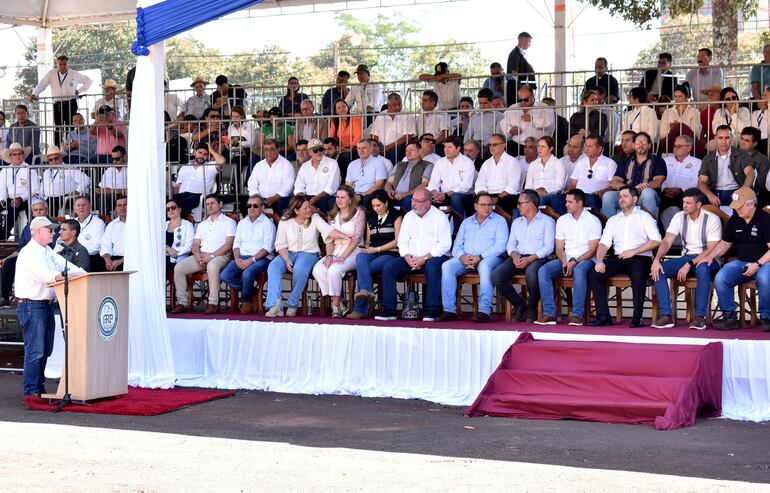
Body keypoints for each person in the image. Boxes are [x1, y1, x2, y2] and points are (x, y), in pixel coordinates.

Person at [16, 216, 85, 398]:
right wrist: (62, 276)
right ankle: (31, 391)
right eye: (50, 230)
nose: (54, 233)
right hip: (32, 305)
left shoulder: (46, 250)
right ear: (38, 231)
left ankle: (38, 388)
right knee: (36, 350)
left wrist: (84, 275)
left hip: (44, 305)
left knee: (45, 350)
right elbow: (45, 275)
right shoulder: (29, 252)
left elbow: (66, 266)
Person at [264, 195, 349, 317]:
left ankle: (292, 304)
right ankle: (275, 305)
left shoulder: (315, 218)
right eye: (305, 208)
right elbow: (280, 243)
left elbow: (328, 230)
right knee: (273, 266)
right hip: (288, 253)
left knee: (300, 269)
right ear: (296, 210)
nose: (309, 210)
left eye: (309, 207)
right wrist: (286, 259)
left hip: (309, 254)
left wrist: (344, 236)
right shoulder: (285, 220)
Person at [374, 187, 451, 322]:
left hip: (433, 257)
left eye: (418, 201)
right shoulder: (409, 216)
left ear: (428, 203)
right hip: (411, 257)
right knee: (389, 267)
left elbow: (444, 244)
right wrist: (407, 257)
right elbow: (402, 241)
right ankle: (389, 309)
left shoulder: (439, 217)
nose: (413, 204)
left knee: (432, 268)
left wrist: (425, 258)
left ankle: (432, 309)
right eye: (413, 200)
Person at [589, 186, 662, 327]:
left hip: (640, 257)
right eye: (620, 196)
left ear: (635, 199)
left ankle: (637, 318)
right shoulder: (613, 220)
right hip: (619, 257)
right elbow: (604, 243)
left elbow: (656, 240)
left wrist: (633, 251)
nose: (621, 199)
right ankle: (603, 316)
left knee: (638, 274)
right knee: (595, 273)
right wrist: (599, 260)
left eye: (625, 196)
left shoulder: (645, 217)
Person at [650, 188, 722, 330]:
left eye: (688, 203)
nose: (684, 206)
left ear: (699, 204)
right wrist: (657, 259)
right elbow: (666, 241)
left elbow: (711, 249)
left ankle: (699, 317)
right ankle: (666, 315)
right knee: (659, 269)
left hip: (708, 259)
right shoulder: (679, 216)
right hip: (687, 257)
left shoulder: (712, 219)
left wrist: (690, 263)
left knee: (702, 269)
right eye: (683, 202)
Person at [704, 187, 770, 331]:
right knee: (721, 277)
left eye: (740, 207)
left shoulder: (765, 219)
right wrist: (711, 256)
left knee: (765, 279)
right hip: (742, 262)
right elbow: (725, 243)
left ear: (751, 204)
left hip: (764, 262)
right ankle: (730, 317)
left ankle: (767, 317)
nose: (737, 210)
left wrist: (757, 265)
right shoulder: (735, 219)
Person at [536, 188, 602, 326]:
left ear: (580, 203)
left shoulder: (593, 220)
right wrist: (565, 261)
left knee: (579, 270)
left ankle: (577, 315)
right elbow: (559, 248)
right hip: (565, 259)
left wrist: (574, 261)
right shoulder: (562, 220)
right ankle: (549, 314)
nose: (566, 204)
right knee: (543, 270)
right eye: (566, 201)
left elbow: (593, 249)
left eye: (570, 202)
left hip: (586, 259)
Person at [438, 192, 508, 323]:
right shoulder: (466, 222)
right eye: (483, 205)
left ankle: (484, 311)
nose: (487, 208)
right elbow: (457, 246)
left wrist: (480, 257)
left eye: (490, 205)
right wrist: (462, 257)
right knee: (447, 266)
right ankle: (449, 310)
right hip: (467, 258)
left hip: (491, 258)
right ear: (475, 206)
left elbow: (501, 246)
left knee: (485, 266)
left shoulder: (500, 221)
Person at [491, 189, 555, 322]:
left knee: (532, 274)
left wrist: (530, 258)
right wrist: (514, 256)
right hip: (517, 257)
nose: (518, 206)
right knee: (496, 276)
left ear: (530, 204)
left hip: (537, 257)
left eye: (520, 203)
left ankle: (532, 307)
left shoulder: (547, 221)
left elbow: (549, 247)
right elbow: (510, 245)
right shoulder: (517, 222)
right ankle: (520, 305)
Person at [172, 194, 237, 314]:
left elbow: (228, 244)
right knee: (179, 268)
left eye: (212, 203)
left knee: (212, 266)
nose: (209, 206)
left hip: (220, 255)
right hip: (202, 255)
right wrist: (197, 254)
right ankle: (182, 302)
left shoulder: (229, 222)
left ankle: (213, 303)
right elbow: (195, 244)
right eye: (207, 204)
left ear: (220, 204)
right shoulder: (202, 224)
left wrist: (211, 256)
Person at [347, 190, 402, 320]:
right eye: (373, 206)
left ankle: (360, 309)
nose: (376, 208)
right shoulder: (370, 218)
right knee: (360, 257)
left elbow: (397, 241)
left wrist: (377, 249)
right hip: (373, 252)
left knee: (363, 269)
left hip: (390, 253)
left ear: (386, 203)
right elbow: (368, 240)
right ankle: (366, 291)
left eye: (379, 205)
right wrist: (366, 248)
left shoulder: (396, 216)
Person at [312, 186, 365, 317]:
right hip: (335, 251)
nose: (339, 200)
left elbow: (357, 238)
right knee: (318, 270)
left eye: (343, 197)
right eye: (337, 197)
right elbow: (329, 239)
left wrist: (343, 256)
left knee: (334, 270)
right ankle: (339, 302)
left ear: (350, 199)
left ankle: (335, 306)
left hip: (354, 252)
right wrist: (329, 256)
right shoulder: (332, 215)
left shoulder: (359, 213)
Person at [220, 195, 275, 313]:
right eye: (249, 205)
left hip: (262, 258)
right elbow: (236, 244)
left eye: (255, 205)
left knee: (247, 273)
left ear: (262, 207)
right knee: (224, 275)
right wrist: (236, 258)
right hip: (242, 257)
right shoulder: (242, 223)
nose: (251, 208)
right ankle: (252, 292)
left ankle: (246, 300)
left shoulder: (268, 224)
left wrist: (251, 260)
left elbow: (267, 248)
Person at [0, 202, 55, 308]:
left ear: (46, 212)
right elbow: (20, 248)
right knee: (7, 264)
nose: (38, 212)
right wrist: (6, 258)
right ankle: (5, 298)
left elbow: (54, 248)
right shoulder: (28, 227)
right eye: (36, 210)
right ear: (32, 213)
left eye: (41, 209)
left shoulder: (52, 226)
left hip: (44, 259)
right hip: (27, 258)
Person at [30, 55, 92, 146]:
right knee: (58, 126)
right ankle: (57, 148)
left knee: (70, 126)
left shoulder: (74, 73)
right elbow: (42, 84)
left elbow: (89, 81)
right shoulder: (51, 73)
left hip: (71, 102)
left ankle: (70, 147)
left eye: (65, 64)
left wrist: (79, 91)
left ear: (68, 64)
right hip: (57, 103)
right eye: (60, 64)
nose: (63, 66)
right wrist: (35, 94)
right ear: (57, 64)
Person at [602, 132, 666, 218]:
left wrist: (642, 187)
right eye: (638, 142)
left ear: (649, 145)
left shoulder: (658, 161)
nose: (640, 145)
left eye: (644, 142)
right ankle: (610, 227)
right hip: (628, 194)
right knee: (608, 196)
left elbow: (657, 182)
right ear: (633, 146)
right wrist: (631, 189)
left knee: (648, 193)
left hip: (645, 195)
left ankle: (649, 227)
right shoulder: (625, 162)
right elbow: (615, 181)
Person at [697, 125, 753, 207]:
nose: (724, 141)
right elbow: (701, 181)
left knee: (744, 205)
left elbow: (750, 173)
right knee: (696, 201)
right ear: (715, 138)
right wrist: (709, 195)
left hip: (735, 191)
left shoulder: (742, 154)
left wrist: (743, 192)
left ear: (731, 138)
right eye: (720, 138)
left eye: (727, 138)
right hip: (714, 192)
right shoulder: (708, 158)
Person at [426, 135, 476, 217]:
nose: (446, 150)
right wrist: (435, 193)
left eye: (450, 147)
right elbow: (433, 183)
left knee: (456, 197)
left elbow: (465, 186)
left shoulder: (467, 162)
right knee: (423, 195)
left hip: (463, 196)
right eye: (445, 146)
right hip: (442, 196)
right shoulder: (440, 162)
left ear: (458, 148)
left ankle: (458, 228)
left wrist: (445, 195)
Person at [499, 84, 555, 157]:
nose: (523, 102)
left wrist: (532, 119)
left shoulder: (544, 108)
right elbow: (503, 123)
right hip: (516, 146)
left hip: (538, 146)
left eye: (525, 100)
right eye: (520, 100)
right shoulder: (512, 108)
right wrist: (510, 130)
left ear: (532, 97)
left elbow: (549, 123)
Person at [0, 142, 41, 240]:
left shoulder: (29, 169)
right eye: (14, 154)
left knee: (14, 208)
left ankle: (5, 236)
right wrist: (2, 199)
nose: (17, 156)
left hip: (26, 199)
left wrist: (21, 198)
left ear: (23, 155)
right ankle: (3, 233)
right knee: (10, 206)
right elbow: (2, 187)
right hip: (9, 198)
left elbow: (34, 188)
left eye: (19, 154)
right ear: (10, 157)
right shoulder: (5, 170)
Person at [660, 135, 702, 230]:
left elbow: (695, 181)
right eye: (675, 146)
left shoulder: (697, 163)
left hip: (684, 195)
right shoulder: (666, 161)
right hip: (665, 193)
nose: (675, 148)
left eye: (679, 146)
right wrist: (664, 189)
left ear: (689, 148)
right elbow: (660, 177)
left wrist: (680, 190)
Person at [565, 134, 616, 212]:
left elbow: (613, 186)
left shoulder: (609, 163)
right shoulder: (580, 162)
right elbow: (573, 184)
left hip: (595, 196)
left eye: (590, 146)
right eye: (586, 146)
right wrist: (568, 192)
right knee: (557, 199)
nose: (586, 149)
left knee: (590, 200)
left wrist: (601, 192)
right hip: (578, 196)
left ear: (599, 149)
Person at [173, 142, 226, 216]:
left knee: (184, 203)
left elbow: (222, 161)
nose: (201, 156)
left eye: (205, 154)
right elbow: (177, 186)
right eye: (200, 152)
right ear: (195, 152)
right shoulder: (185, 167)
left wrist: (211, 150)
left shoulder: (210, 166)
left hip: (198, 196)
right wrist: (174, 197)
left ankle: (183, 222)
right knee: (169, 203)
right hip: (182, 195)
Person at [247, 138, 294, 216]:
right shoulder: (259, 165)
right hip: (260, 199)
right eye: (266, 149)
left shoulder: (286, 165)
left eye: (272, 149)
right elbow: (252, 182)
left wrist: (275, 197)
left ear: (278, 150)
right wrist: (256, 197)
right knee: (243, 203)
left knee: (281, 203)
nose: (268, 152)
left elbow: (289, 185)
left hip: (278, 199)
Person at [40, 145, 90, 217]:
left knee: (51, 202)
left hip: (65, 198)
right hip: (47, 198)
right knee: (35, 204)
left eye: (56, 158)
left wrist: (78, 190)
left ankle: (52, 225)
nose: (53, 161)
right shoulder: (46, 172)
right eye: (51, 160)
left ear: (61, 158)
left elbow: (86, 179)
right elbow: (42, 187)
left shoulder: (69, 169)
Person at [293, 138, 341, 213]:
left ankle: (322, 220)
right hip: (307, 196)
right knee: (288, 202)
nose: (319, 152)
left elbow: (331, 187)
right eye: (315, 150)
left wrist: (317, 198)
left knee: (323, 202)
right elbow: (299, 185)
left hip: (324, 196)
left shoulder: (332, 163)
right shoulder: (305, 166)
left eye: (321, 149)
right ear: (309, 152)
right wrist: (303, 199)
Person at [384, 142, 432, 212]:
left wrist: (404, 194)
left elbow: (424, 184)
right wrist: (389, 190)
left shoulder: (427, 165)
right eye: (407, 151)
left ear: (420, 151)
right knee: (378, 197)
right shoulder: (399, 164)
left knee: (408, 199)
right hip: (394, 195)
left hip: (411, 196)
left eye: (412, 150)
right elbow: (389, 182)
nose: (408, 152)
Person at [371, 92, 416, 165]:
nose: (398, 107)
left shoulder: (407, 115)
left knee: (396, 151)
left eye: (399, 104)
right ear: (388, 105)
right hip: (381, 145)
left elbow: (408, 136)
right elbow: (374, 134)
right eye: (395, 105)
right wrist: (377, 146)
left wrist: (389, 147)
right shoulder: (381, 115)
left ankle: (394, 174)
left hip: (399, 146)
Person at [659, 84, 702, 154]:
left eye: (680, 96)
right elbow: (662, 134)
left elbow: (696, 132)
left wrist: (679, 127)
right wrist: (673, 130)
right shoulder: (668, 112)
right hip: (671, 143)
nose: (676, 99)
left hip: (688, 144)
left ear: (686, 97)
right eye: (675, 96)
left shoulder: (694, 112)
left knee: (680, 126)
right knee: (678, 127)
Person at [525, 136, 566, 209]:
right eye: (538, 146)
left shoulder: (558, 163)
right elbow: (528, 185)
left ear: (550, 149)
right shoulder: (533, 164)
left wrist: (546, 192)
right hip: (534, 194)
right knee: (521, 203)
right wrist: (535, 192)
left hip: (551, 194)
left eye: (543, 147)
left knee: (541, 200)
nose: (539, 149)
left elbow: (560, 185)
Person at [345, 139, 388, 206]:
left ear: (370, 149)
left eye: (364, 148)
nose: (361, 151)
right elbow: (348, 185)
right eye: (359, 148)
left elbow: (379, 185)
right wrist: (351, 195)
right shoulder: (352, 164)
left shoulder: (379, 163)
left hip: (372, 194)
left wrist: (362, 196)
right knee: (336, 199)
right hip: (355, 194)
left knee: (366, 200)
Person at [72, 195, 106, 272]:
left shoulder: (98, 223)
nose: (81, 207)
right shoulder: (71, 223)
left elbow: (97, 246)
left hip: (91, 259)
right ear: (74, 209)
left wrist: (79, 252)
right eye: (78, 205)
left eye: (84, 205)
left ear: (90, 207)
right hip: (73, 259)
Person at [465, 88, 504, 154]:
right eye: (480, 103)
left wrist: (483, 144)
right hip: (474, 145)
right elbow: (468, 134)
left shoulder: (499, 116)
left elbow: (497, 136)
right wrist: (465, 145)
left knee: (485, 151)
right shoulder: (474, 116)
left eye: (485, 103)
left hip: (489, 145)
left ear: (491, 101)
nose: (482, 106)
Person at [164, 198, 195, 274]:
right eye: (168, 209)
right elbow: (157, 242)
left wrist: (174, 252)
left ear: (180, 209)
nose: (170, 210)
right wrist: (167, 248)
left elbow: (189, 246)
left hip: (179, 258)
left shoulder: (188, 225)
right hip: (163, 256)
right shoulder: (163, 225)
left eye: (173, 207)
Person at [505, 32, 535, 105]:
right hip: (515, 87)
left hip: (517, 86)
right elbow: (514, 72)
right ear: (523, 40)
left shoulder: (518, 54)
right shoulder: (515, 54)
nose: (530, 44)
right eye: (529, 41)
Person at [100, 196, 126, 272]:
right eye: (119, 205)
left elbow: (138, 249)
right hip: (114, 260)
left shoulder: (138, 224)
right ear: (116, 209)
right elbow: (105, 245)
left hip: (133, 260)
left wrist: (121, 261)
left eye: (125, 204)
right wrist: (108, 260)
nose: (122, 208)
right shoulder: (112, 225)